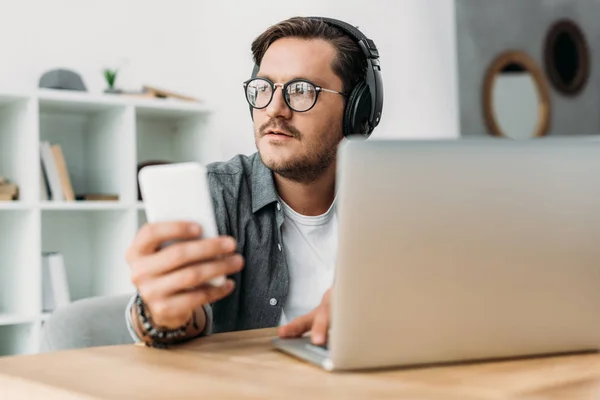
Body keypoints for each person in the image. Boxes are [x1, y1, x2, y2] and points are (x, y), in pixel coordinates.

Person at [125, 16, 382, 348]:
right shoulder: (216, 194)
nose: (275, 109)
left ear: (357, 111)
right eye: (263, 88)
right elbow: (183, 315)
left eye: (301, 90)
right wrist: (159, 315)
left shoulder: (395, 203)